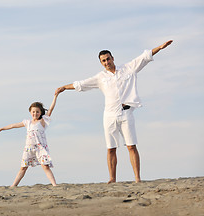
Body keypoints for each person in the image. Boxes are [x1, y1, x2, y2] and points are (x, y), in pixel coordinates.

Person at [55, 40, 173, 183]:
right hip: (109, 115)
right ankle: (112, 178)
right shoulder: (100, 77)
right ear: (101, 63)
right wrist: (64, 87)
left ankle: (137, 178)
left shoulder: (128, 68)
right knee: (111, 148)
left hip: (126, 113)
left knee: (131, 146)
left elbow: (144, 57)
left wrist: (160, 48)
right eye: (103, 61)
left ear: (113, 58)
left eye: (108, 59)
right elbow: (81, 84)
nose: (106, 62)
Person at [0, 93, 59, 187]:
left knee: (45, 166)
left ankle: (54, 185)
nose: (35, 113)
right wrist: (1, 129)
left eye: (37, 112)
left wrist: (55, 96)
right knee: (23, 167)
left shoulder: (43, 121)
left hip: (40, 148)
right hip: (29, 148)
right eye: (33, 112)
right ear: (30, 112)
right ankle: (13, 186)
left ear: (41, 112)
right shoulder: (27, 122)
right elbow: (13, 126)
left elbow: (51, 109)